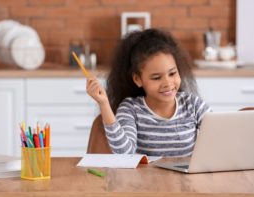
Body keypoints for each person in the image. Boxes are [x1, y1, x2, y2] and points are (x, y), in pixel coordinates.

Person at [86, 28, 211, 157]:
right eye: (156, 78)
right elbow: (124, 152)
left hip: (185, 177)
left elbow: (219, 135)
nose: (168, 83)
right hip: (146, 177)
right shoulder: (131, 109)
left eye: (172, 73)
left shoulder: (192, 104)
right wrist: (104, 104)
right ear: (138, 79)